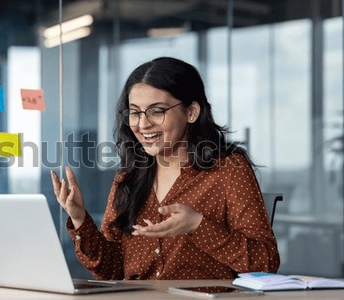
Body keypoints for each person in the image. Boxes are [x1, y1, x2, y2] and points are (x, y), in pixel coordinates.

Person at [51, 57, 280, 280]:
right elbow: (112, 270)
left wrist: (198, 225)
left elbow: (266, 262)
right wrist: (80, 218)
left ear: (191, 112)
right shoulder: (129, 177)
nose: (142, 124)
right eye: (135, 112)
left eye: (157, 111)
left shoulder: (229, 169)